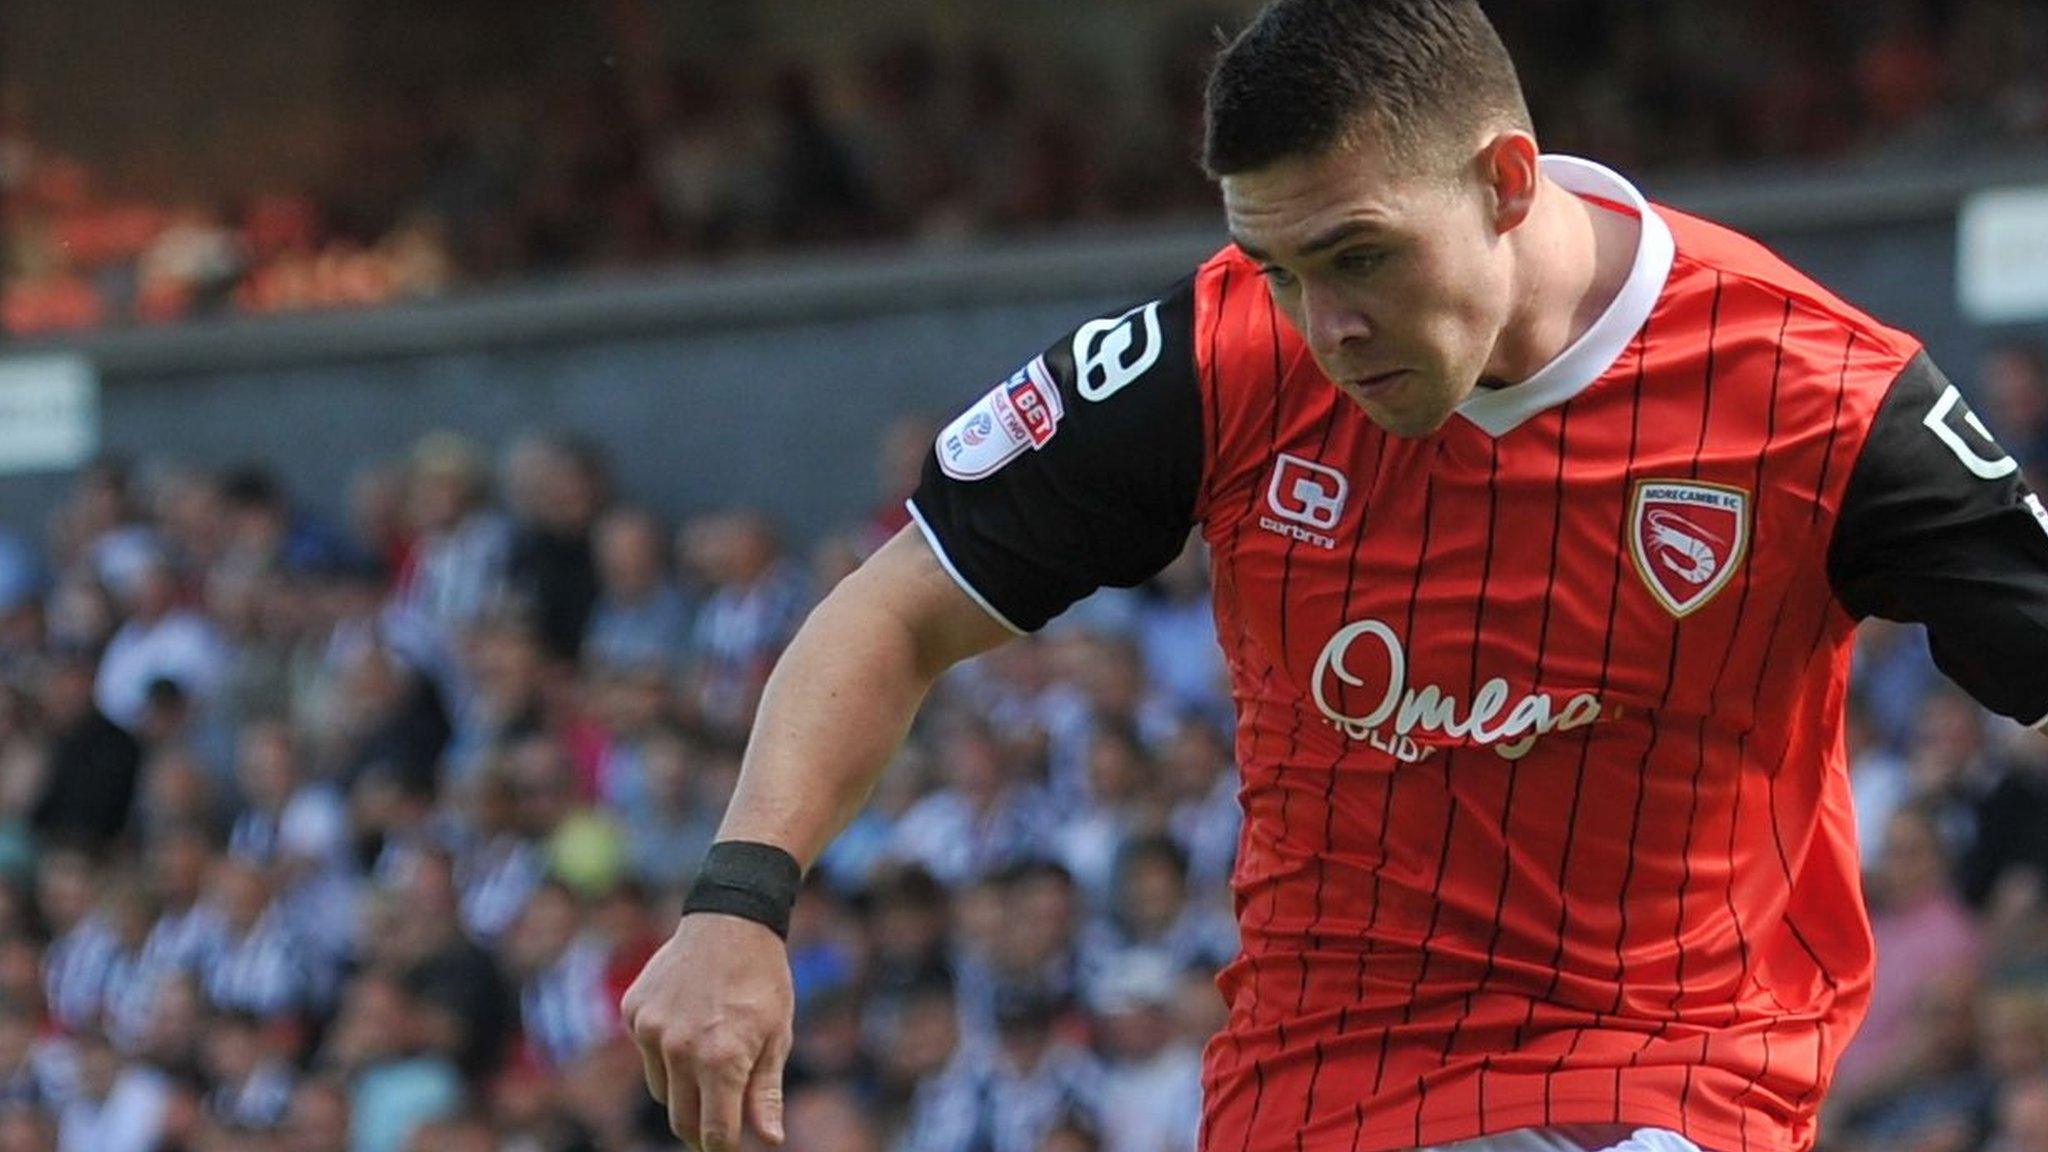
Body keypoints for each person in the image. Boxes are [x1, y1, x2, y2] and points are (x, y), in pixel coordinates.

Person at [622, 3, 2048, 1152]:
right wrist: (738, 902)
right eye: (1282, 265)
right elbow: (893, 610)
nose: (1327, 324)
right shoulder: (1218, 355)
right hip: (1316, 1085)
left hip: (1666, 1071)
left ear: (1504, 181)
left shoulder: (1823, 393)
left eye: (1359, 256)